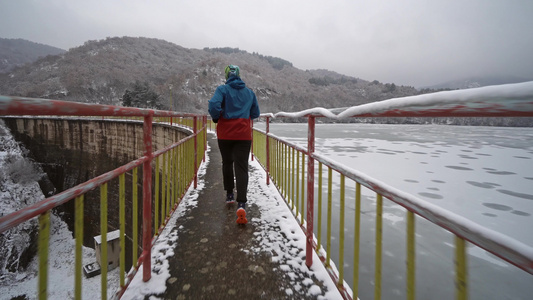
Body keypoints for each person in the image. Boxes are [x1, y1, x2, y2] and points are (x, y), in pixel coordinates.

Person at [208, 65, 260, 225]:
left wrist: (217, 118)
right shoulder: (250, 93)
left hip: (225, 134)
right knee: (242, 167)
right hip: (243, 135)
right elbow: (256, 113)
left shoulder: (222, 90)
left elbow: (213, 106)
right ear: (239, 75)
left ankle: (230, 195)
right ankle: (242, 203)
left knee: (227, 162)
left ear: (226, 76)